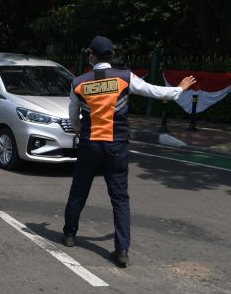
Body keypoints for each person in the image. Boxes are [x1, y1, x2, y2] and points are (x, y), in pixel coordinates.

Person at [61, 36, 195, 267]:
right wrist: (179, 89)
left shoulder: (79, 82)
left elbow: (73, 115)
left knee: (79, 191)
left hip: (90, 144)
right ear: (112, 55)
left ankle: (70, 235)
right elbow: (155, 91)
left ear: (92, 57)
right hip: (117, 146)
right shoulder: (125, 77)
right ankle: (122, 250)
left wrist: (77, 131)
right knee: (120, 199)